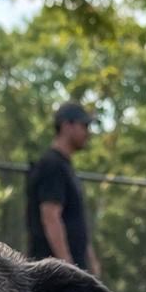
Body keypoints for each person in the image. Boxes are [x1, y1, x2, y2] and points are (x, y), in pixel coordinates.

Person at [27, 101, 100, 277]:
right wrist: (69, 270)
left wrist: (90, 259)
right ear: (67, 125)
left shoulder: (65, 166)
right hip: (53, 276)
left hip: (71, 269)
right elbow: (50, 217)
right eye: (84, 126)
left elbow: (75, 219)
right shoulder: (52, 165)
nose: (87, 133)